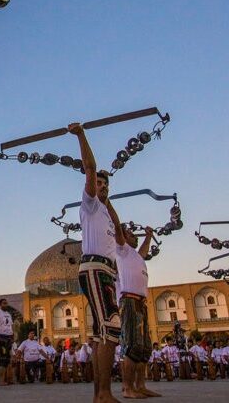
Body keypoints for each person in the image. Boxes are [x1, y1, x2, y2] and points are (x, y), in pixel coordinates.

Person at [67, 122, 121, 402]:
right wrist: (81, 135)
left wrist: (111, 204)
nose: (99, 186)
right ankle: (102, 394)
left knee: (104, 334)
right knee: (110, 330)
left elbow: (125, 240)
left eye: (103, 184)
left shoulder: (108, 214)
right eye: (97, 184)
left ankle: (102, 393)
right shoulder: (90, 206)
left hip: (107, 272)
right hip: (94, 268)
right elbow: (90, 167)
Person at [110, 199, 158, 398]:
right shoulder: (121, 250)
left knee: (143, 346)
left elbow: (144, 252)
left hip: (141, 302)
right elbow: (116, 225)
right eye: (131, 234)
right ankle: (128, 388)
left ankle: (140, 385)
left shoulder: (136, 256)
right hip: (129, 301)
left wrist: (149, 236)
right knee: (130, 345)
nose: (134, 237)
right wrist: (108, 204)